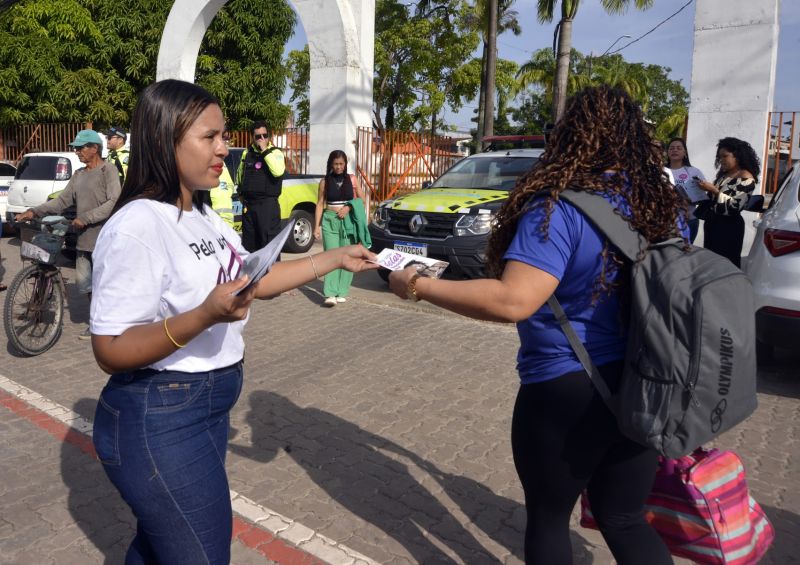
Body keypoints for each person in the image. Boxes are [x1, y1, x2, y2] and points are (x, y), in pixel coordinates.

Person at [388, 86, 682, 565]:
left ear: (571, 135)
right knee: (625, 518)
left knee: (548, 520)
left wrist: (417, 285)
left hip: (567, 385)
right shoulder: (659, 204)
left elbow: (513, 300)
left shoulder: (558, 208)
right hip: (646, 380)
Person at [89, 79, 376, 565]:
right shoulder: (138, 225)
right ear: (165, 140)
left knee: (160, 547)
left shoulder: (203, 216)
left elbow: (254, 279)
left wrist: (334, 258)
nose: (225, 148)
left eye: (224, 135)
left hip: (206, 410)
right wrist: (204, 315)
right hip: (160, 415)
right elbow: (110, 349)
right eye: (210, 136)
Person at [15, 129, 121, 340]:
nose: (77, 152)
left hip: (105, 239)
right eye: (76, 148)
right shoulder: (79, 175)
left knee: (105, 285)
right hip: (83, 240)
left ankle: (111, 323)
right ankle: (97, 321)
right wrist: (34, 211)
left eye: (80, 148)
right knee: (86, 285)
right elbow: (62, 201)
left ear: (94, 148)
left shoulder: (107, 170)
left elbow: (114, 201)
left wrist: (87, 217)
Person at [313, 150, 371, 306]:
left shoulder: (352, 179)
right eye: (335, 164)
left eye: (341, 164)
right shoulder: (324, 182)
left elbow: (362, 199)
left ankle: (342, 291)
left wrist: (349, 207)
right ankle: (330, 293)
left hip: (348, 222)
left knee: (347, 256)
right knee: (331, 256)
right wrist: (316, 227)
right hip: (329, 220)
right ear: (331, 164)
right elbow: (320, 203)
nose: (338, 167)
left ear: (345, 164)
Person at [696, 137, 760, 268]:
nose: (721, 160)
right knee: (711, 263)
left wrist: (714, 190)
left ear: (737, 156)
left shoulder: (746, 177)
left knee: (726, 265)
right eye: (720, 157)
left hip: (729, 228)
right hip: (712, 223)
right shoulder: (724, 175)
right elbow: (713, 199)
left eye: (725, 156)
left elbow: (735, 206)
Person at [236, 120, 285, 252]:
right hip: (249, 206)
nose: (262, 139)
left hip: (267, 205)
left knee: (268, 245)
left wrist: (264, 150)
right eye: (258, 136)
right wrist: (240, 192)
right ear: (252, 137)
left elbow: (278, 172)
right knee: (249, 245)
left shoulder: (275, 153)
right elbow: (241, 173)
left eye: (265, 135)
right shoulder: (247, 152)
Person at [666, 137, 707, 243]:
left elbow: (702, 197)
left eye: (678, 148)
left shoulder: (694, 172)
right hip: (666, 221)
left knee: (686, 251)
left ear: (685, 152)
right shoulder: (660, 170)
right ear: (667, 152)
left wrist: (688, 199)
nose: (675, 150)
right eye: (671, 148)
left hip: (689, 220)